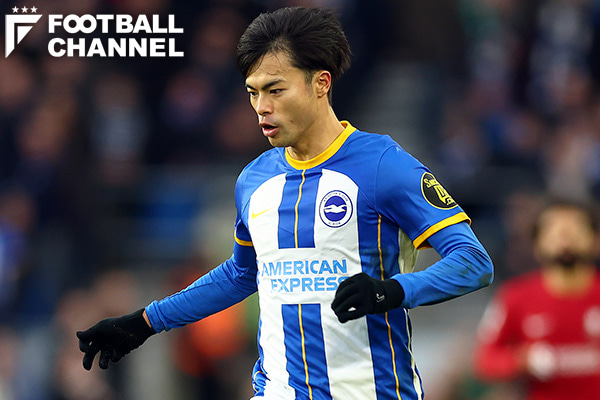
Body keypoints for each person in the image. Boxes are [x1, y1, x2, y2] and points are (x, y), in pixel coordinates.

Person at [77, 7, 494, 400]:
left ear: (321, 83)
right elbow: (242, 274)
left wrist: (392, 291)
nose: (262, 107)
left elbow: (473, 262)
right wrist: (145, 322)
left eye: (275, 90)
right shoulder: (254, 180)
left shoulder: (383, 165)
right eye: (253, 92)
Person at [473, 199, 600, 400]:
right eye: (554, 229)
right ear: (537, 244)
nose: (565, 236)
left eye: (576, 227)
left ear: (595, 240)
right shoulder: (515, 296)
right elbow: (485, 360)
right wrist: (522, 361)